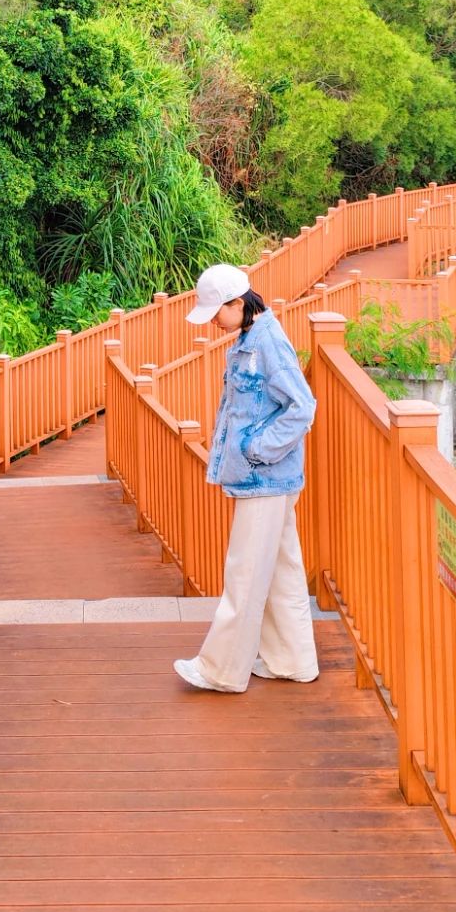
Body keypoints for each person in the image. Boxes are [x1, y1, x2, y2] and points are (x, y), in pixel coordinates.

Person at [172, 263, 320, 693]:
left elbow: (301, 407)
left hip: (266, 479)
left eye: (218, 311)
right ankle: (292, 660)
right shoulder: (248, 339)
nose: (215, 321)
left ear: (239, 303)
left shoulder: (268, 343)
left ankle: (221, 670)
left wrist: (256, 449)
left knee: (244, 574)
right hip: (267, 478)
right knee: (280, 572)